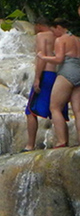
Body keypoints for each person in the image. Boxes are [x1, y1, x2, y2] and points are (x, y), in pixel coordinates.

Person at [24, 17, 67, 151]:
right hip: (59, 76)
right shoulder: (61, 37)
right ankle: (64, 141)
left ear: (39, 25)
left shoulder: (42, 36)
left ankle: (30, 145)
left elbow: (41, 56)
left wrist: (37, 78)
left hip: (46, 74)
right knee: (57, 110)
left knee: (30, 111)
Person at [37, 18, 80, 148]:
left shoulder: (61, 39)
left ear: (59, 27)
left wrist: (43, 57)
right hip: (79, 71)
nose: (54, 34)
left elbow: (59, 58)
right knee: (78, 111)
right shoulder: (78, 39)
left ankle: (62, 141)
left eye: (54, 30)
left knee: (55, 107)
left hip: (66, 72)